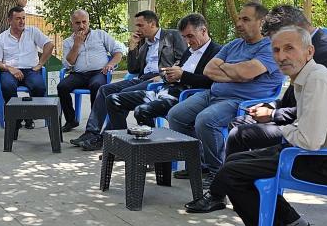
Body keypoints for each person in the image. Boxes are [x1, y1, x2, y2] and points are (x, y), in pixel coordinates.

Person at [209, 26, 327, 226]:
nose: (281, 56)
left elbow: (309, 141)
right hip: (317, 154)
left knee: (232, 174)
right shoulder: (307, 77)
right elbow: (304, 131)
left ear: (309, 51)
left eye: (289, 48)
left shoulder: (318, 81)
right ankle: (295, 223)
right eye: (276, 50)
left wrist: (283, 129)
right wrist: (288, 130)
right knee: (235, 161)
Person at [167, 2, 285, 213]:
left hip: (242, 101)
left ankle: (217, 174)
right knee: (176, 115)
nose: (239, 23)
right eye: (239, 18)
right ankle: (201, 163)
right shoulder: (234, 44)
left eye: (245, 19)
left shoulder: (270, 48)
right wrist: (237, 72)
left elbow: (246, 73)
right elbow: (210, 70)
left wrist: (230, 70)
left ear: (262, 22)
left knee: (205, 120)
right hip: (213, 93)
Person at [225, 5, 327, 158]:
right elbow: (294, 96)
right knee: (238, 127)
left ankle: (241, 167)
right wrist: (272, 105)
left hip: (320, 140)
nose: (280, 56)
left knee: (239, 135)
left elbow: (316, 109)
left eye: (286, 46)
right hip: (303, 126)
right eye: (276, 48)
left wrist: (273, 114)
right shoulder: (313, 45)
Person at [76, 13, 220, 151]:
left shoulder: (216, 52)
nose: (187, 41)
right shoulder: (150, 45)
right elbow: (133, 69)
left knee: (140, 109)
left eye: (190, 36)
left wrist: (178, 75)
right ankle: (118, 145)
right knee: (112, 98)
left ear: (203, 30)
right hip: (159, 85)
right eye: (185, 37)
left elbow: (212, 80)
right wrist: (133, 48)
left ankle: (148, 151)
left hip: (183, 95)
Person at [58, 10, 127, 133]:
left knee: (96, 86)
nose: (81, 26)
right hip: (78, 74)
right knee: (62, 87)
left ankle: (94, 124)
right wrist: (76, 45)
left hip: (99, 73)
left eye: (84, 22)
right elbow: (69, 64)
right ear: (72, 24)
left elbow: (118, 52)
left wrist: (110, 64)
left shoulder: (100, 35)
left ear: (88, 22)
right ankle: (71, 120)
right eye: (77, 23)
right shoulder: (68, 42)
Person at [0, 6, 55, 128]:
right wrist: (10, 68)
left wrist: (40, 64)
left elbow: (50, 45)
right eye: (18, 19)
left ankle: (29, 115)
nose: (22, 21)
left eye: (24, 18)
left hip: (31, 70)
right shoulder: (2, 38)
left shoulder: (33, 32)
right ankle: (16, 117)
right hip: (10, 71)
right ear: (9, 20)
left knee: (39, 87)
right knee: (7, 86)